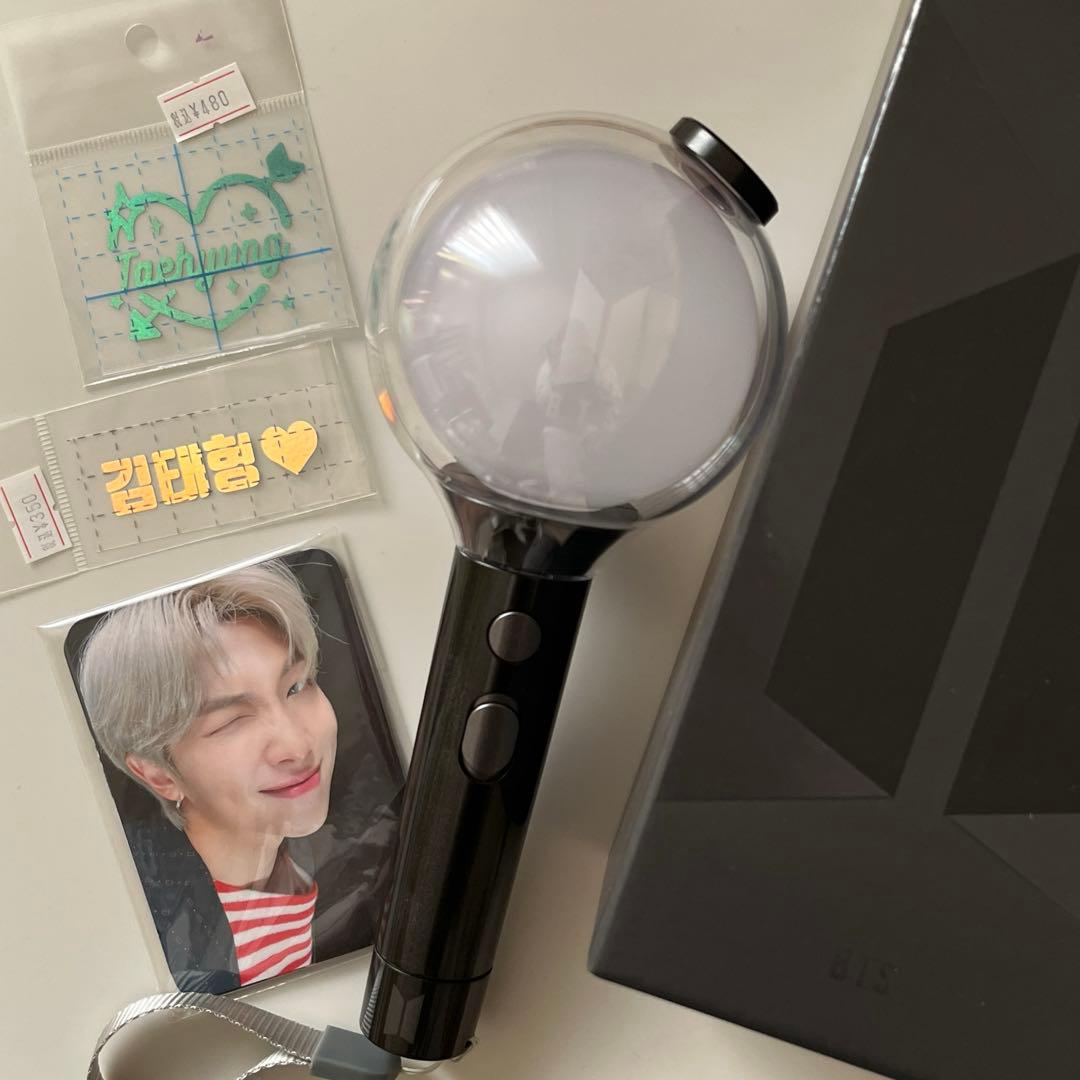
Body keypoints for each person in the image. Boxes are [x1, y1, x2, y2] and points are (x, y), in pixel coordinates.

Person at [78, 561, 396, 991]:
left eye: (296, 686)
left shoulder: (339, 857)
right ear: (157, 774)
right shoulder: (162, 954)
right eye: (231, 722)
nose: (297, 746)